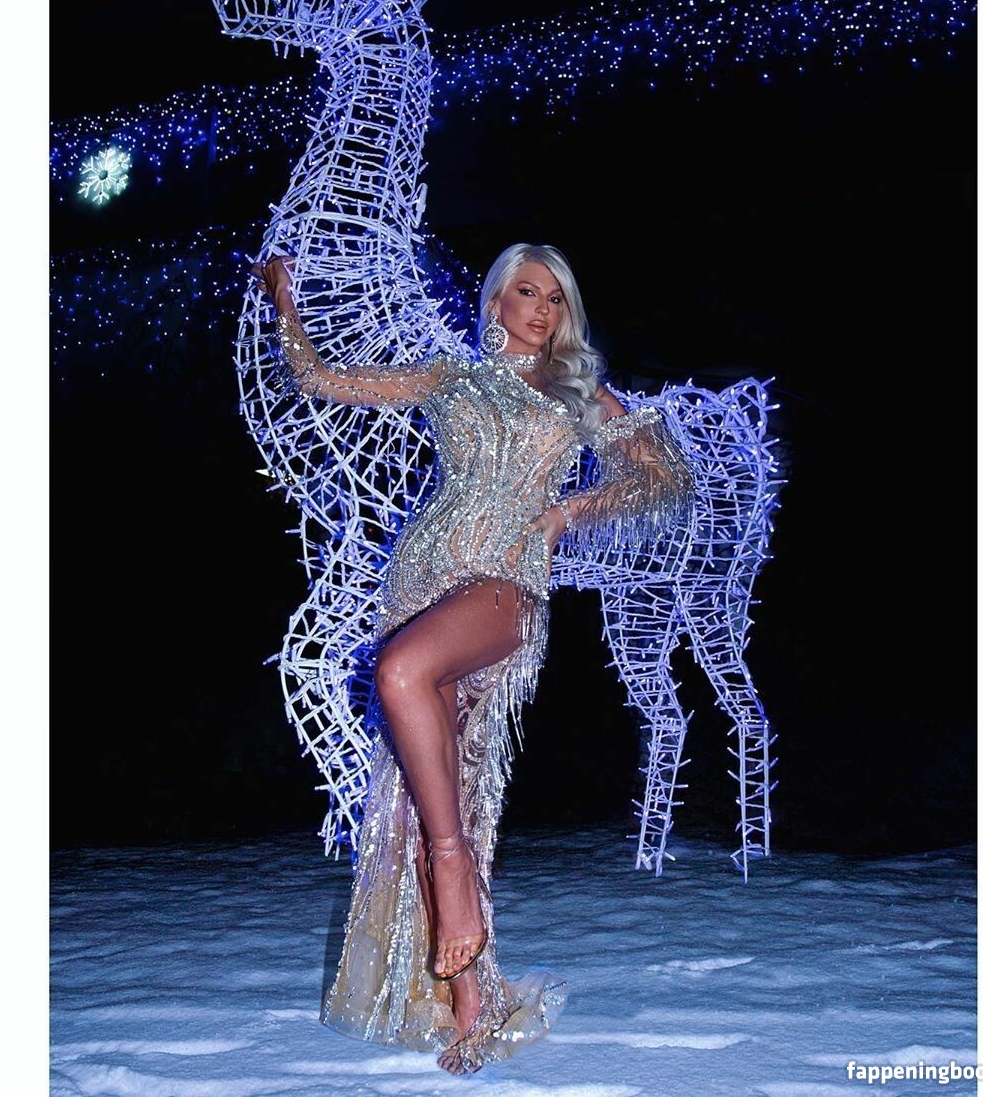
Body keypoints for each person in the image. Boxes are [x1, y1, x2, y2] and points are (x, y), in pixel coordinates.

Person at [251, 242, 694, 1075]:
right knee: (433, 795)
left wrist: (567, 515)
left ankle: (455, 877)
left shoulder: (573, 392)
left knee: (400, 672)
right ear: (495, 301)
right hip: (423, 579)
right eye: (527, 291)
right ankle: (469, 1004)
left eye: (555, 298)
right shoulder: (449, 376)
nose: (542, 309)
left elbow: (664, 474)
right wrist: (284, 300)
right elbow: (318, 378)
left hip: (507, 584)